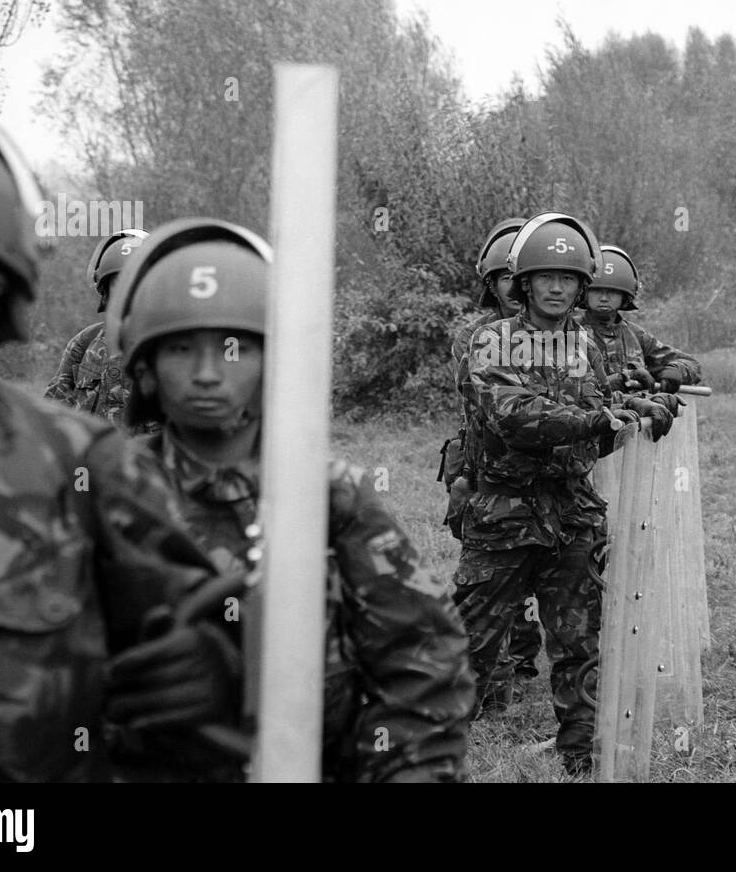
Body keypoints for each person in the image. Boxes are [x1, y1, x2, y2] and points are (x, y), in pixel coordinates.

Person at [0, 57, 237, 781]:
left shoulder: (84, 471)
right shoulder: (83, 358)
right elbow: (67, 385)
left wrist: (214, 677)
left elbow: (206, 707)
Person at [105, 217, 475, 782]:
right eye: (180, 349)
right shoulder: (111, 493)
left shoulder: (329, 496)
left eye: (233, 350)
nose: (207, 374)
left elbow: (422, 660)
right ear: (146, 369)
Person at [456, 212, 673, 776]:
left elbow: (601, 417)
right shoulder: (492, 340)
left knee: (580, 642)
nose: (557, 288)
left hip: (573, 510)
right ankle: (430, 748)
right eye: (546, 278)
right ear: (523, 284)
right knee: (472, 642)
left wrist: (637, 410)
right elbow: (513, 416)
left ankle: (581, 754)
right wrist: (597, 419)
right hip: (504, 513)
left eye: (569, 279)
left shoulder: (584, 343)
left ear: (581, 287)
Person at [442, 216, 544, 693]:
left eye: (518, 276)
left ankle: (522, 662)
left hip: (544, 470)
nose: (511, 286)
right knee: (487, 577)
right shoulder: (474, 336)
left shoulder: (560, 332)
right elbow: (490, 406)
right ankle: (492, 678)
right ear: (491, 283)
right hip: (486, 466)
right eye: (503, 277)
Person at [44, 228, 152, 431]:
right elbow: (53, 412)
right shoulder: (85, 342)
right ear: (105, 290)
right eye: (119, 283)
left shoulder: (169, 347)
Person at [579, 243, 702, 403]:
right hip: (588, 415)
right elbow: (562, 389)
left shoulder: (636, 335)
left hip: (639, 413)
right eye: (596, 290)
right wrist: (623, 379)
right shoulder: (567, 331)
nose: (604, 298)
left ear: (625, 296)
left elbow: (692, 364)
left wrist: (675, 370)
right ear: (584, 292)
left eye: (612, 291)